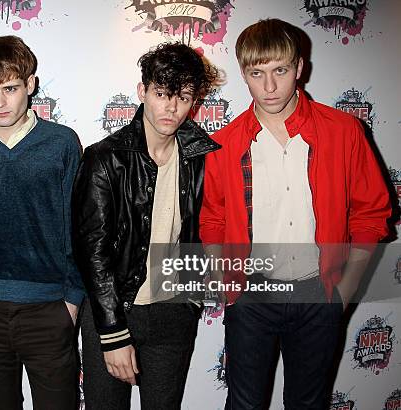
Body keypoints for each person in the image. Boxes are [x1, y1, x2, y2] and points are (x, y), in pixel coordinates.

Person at [199, 18, 391, 409]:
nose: (269, 87)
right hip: (251, 295)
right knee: (244, 405)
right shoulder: (223, 143)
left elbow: (372, 213)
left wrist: (345, 290)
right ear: (244, 74)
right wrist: (227, 283)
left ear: (299, 68)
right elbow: (212, 219)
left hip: (318, 293)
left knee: (309, 404)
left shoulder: (344, 131)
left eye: (280, 71)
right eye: (257, 73)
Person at [72, 42, 220, 409]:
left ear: (194, 101)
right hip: (116, 309)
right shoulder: (105, 157)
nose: (170, 107)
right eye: (161, 94)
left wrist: (191, 300)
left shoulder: (202, 157)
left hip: (174, 312)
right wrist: (112, 332)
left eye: (183, 97)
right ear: (143, 91)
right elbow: (92, 251)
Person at [0, 35, 84, 410]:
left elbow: (79, 225)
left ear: (30, 84)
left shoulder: (61, 143)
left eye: (10, 88)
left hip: (49, 310)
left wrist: (72, 301)